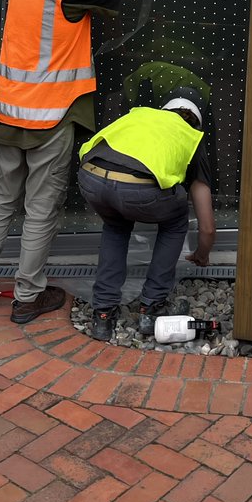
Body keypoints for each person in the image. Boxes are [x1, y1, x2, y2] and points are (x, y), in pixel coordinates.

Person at [0, 0, 174, 324]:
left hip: (9, 112)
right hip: (50, 116)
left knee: (0, 199)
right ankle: (27, 297)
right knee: (41, 208)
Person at [77, 86, 216, 341]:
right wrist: (202, 254)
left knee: (116, 226)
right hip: (136, 190)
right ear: (197, 123)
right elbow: (206, 226)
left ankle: (103, 314)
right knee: (175, 220)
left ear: (164, 109)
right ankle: (151, 307)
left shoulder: (139, 115)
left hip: (90, 178)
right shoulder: (191, 137)